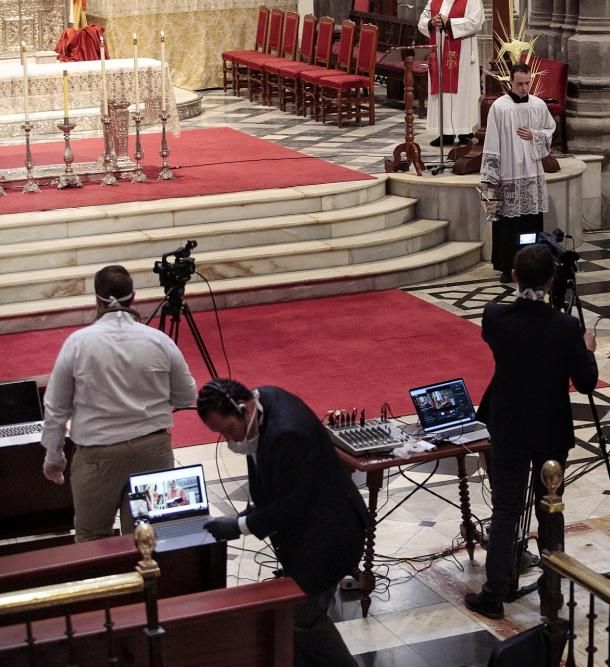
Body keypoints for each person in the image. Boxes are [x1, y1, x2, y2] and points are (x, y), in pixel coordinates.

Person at [464, 244, 599, 619]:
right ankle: (551, 589)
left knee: (506, 508)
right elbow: (586, 382)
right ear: (553, 280)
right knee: (549, 509)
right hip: (550, 427)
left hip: (509, 425)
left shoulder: (494, 318)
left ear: (513, 277)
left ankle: (494, 591)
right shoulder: (565, 327)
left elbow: (516, 328)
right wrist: (586, 349)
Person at [198, 379, 368, 667]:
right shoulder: (264, 401)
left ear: (243, 408)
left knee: (302, 619)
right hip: (310, 530)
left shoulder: (287, 434)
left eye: (227, 430)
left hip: (331, 536)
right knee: (299, 619)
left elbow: (291, 506)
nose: (229, 440)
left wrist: (240, 525)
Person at [41, 265, 197, 542]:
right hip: (153, 451)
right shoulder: (159, 341)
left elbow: (56, 406)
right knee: (151, 540)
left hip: (98, 456)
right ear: (133, 297)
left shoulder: (78, 343)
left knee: (92, 540)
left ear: (97, 301)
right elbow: (187, 396)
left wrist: (54, 455)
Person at [481, 62, 557, 284]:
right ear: (510, 82)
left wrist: (535, 135)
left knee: (530, 224)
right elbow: (492, 142)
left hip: (532, 172)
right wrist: (492, 177)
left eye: (527, 83)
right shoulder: (499, 107)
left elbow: (549, 131)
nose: (524, 88)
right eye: (519, 84)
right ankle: (507, 266)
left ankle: (533, 267)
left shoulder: (538, 105)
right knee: (508, 225)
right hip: (508, 173)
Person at [418, 0, 485, 146]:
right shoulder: (434, 1)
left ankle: (466, 132)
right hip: (439, 52)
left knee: (462, 92)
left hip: (463, 55)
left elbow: (476, 22)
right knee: (442, 92)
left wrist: (449, 23)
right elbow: (422, 21)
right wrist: (431, 22)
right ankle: (445, 132)